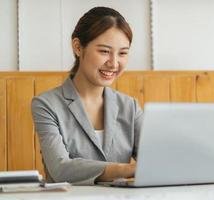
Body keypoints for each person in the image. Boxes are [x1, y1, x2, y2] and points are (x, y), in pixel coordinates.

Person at [31, 7, 143, 185]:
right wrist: (127, 169)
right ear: (77, 47)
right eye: (104, 51)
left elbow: (156, 160)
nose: (114, 63)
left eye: (122, 53)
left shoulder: (131, 107)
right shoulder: (47, 104)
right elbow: (61, 168)